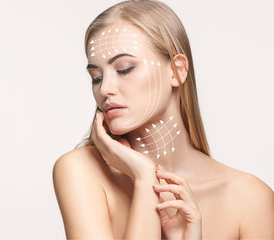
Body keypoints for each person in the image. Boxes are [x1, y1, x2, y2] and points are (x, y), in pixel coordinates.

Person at [53, 0, 274, 239]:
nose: (105, 88)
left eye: (124, 68)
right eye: (96, 77)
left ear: (177, 71)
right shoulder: (80, 170)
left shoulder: (250, 199)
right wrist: (144, 177)